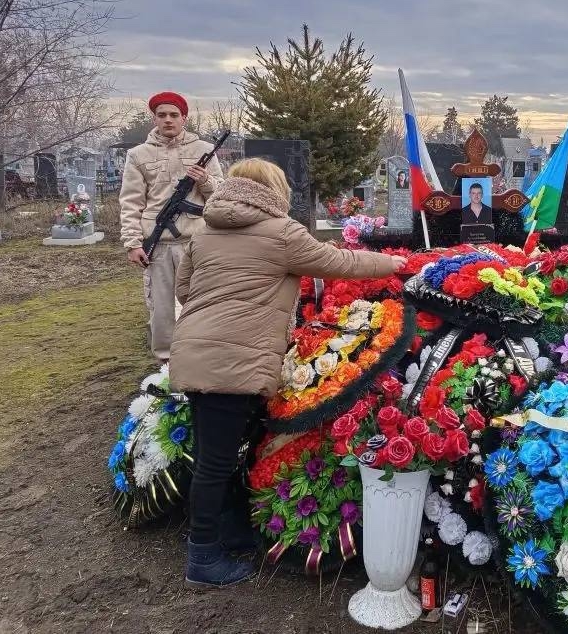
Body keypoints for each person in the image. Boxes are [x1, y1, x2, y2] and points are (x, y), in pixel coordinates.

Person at [169, 158, 407, 588]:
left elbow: (184, 290)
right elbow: (342, 263)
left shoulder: (204, 231)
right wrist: (394, 264)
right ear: (274, 190)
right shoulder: (281, 233)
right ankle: (202, 557)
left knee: (215, 454)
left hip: (196, 351)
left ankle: (229, 532)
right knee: (215, 462)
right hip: (233, 360)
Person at [120, 91, 224, 363]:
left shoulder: (203, 150)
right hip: (159, 243)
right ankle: (166, 361)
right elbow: (130, 202)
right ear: (154, 118)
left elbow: (221, 194)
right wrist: (132, 243)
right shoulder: (138, 155)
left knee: (203, 299)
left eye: (174, 115)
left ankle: (204, 355)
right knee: (162, 307)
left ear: (184, 118)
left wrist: (205, 181)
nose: (168, 120)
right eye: (162, 115)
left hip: (198, 241)